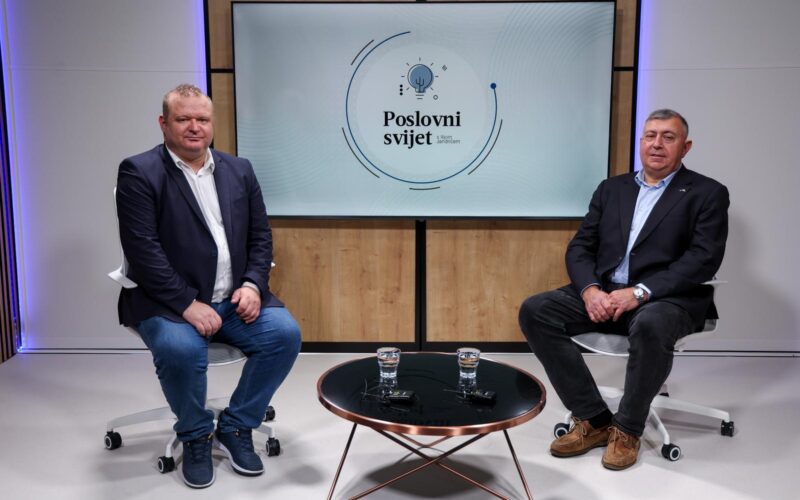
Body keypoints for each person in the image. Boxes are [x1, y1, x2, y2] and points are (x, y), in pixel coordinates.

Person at [518, 109, 729, 470]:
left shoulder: (707, 193)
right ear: (641, 142)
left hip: (666, 297)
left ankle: (628, 429)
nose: (657, 144)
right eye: (650, 135)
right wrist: (590, 291)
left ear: (685, 147)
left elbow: (702, 259)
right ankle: (594, 419)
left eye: (668, 137)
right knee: (536, 310)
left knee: (651, 323)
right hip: (607, 291)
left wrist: (640, 292)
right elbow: (580, 247)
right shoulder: (612, 189)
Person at [115, 84, 301, 488]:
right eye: (183, 119)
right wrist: (187, 303)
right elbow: (143, 251)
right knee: (180, 349)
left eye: (202, 119)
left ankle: (236, 425)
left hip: (233, 299)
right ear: (164, 123)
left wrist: (252, 285)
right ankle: (196, 434)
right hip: (167, 303)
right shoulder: (139, 171)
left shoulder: (239, 169)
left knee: (284, 335)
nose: (194, 127)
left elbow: (260, 236)